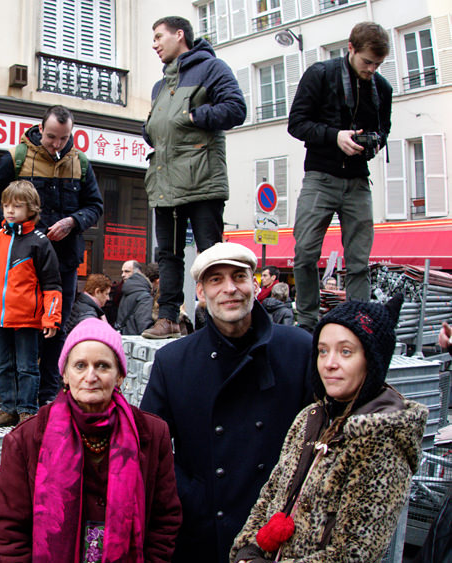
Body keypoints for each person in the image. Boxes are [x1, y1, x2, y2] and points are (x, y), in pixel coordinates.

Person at [140, 242, 312, 563]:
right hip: (203, 532)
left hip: (279, 532)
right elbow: (149, 448)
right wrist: (193, 496)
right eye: (216, 280)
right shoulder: (173, 361)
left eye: (238, 277)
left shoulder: (299, 350)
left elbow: (319, 440)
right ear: (201, 293)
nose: (230, 289)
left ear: (255, 284)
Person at [231, 295, 427, 563]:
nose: (329, 363)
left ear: (372, 360)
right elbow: (271, 495)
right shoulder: (310, 417)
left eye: (346, 351)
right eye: (323, 351)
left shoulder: (381, 438)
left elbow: (354, 553)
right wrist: (247, 550)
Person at [0, 318, 183, 561]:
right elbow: (8, 529)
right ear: (65, 375)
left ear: (120, 375)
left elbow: (165, 518)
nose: (91, 377)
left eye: (102, 366)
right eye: (80, 366)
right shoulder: (26, 439)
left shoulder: (152, 434)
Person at [0, 105, 103, 405]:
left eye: (63, 138)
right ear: (40, 129)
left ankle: (48, 397)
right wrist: (14, 227)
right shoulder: (17, 156)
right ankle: (15, 401)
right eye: (50, 137)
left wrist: (74, 222)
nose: (56, 144)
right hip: (23, 262)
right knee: (18, 331)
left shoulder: (81, 163)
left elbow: (95, 205)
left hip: (65, 261)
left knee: (56, 329)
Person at [141, 16, 246, 340]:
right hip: (166, 180)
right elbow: (155, 127)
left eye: (159, 36)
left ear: (180, 35)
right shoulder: (161, 85)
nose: (155, 44)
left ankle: (221, 321)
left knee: (212, 253)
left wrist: (193, 115)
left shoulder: (212, 68)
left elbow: (236, 109)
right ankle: (169, 318)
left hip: (201, 179)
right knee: (167, 255)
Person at [289, 22, 392, 332]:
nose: (372, 69)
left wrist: (374, 142)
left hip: (359, 180)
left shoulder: (382, 88)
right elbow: (296, 123)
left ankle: (359, 323)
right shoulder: (320, 74)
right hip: (320, 176)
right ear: (351, 48)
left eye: (378, 64)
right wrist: (336, 136)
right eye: (367, 62)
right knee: (305, 252)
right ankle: (307, 322)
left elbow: (384, 130)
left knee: (359, 261)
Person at [0, 180, 62, 428]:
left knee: (27, 367)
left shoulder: (40, 241)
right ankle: (8, 409)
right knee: (3, 366)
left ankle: (27, 410)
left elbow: (52, 284)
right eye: (6, 205)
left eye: (17, 206)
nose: (10, 210)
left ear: (31, 209)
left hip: (27, 320)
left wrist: (51, 318)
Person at [116, 260, 154, 336]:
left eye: (127, 271)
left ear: (138, 272)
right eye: (122, 272)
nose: (123, 275)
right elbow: (145, 327)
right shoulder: (143, 296)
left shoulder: (128, 291)